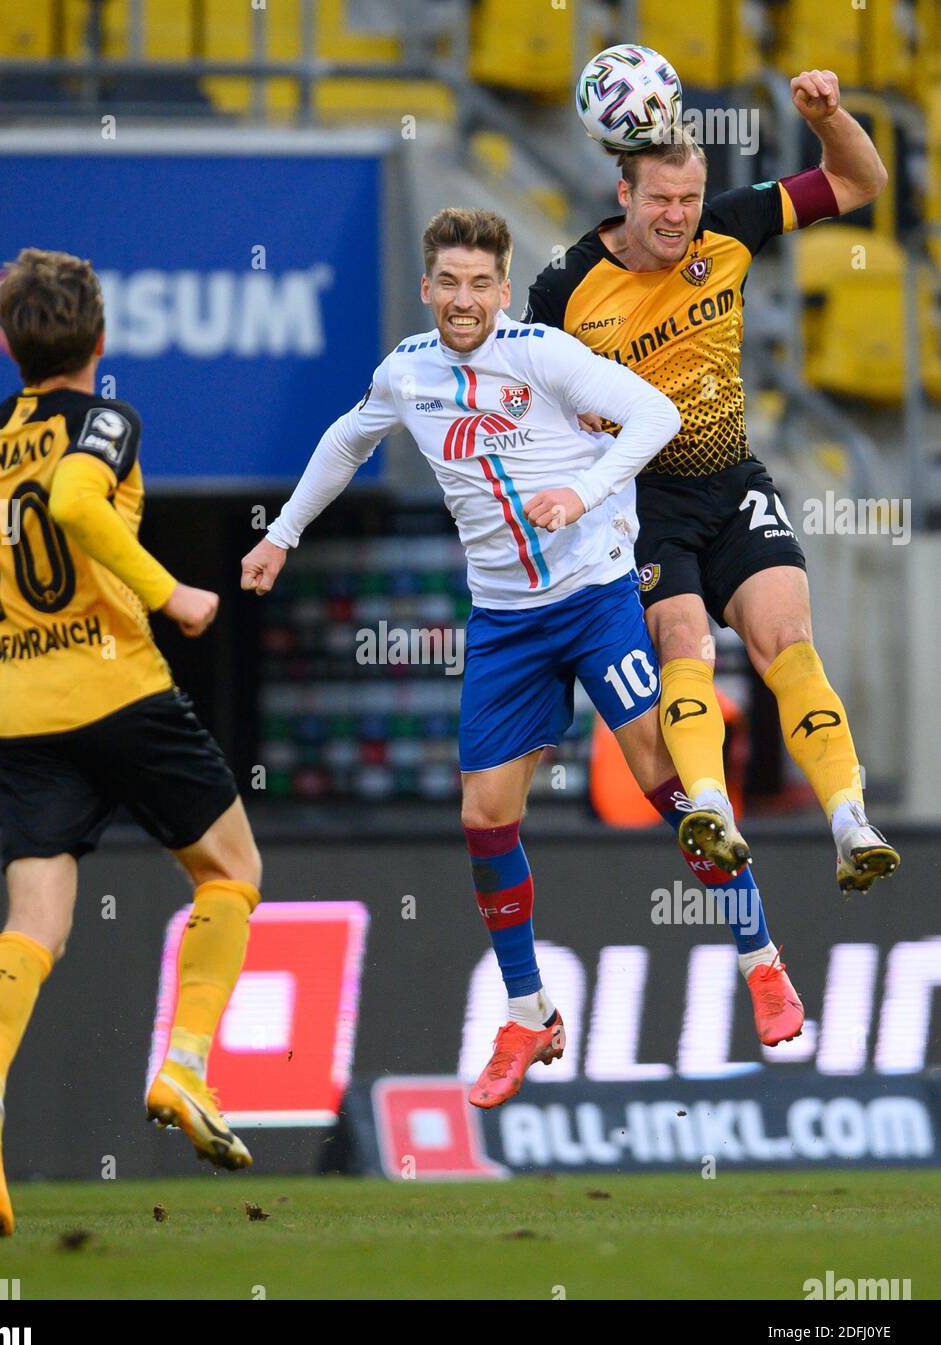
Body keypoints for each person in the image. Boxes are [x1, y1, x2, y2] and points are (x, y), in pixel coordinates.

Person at [242, 207, 803, 1113]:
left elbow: (653, 414)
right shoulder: (406, 372)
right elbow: (348, 438)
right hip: (505, 623)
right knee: (483, 816)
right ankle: (527, 1009)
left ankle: (761, 963)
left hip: (594, 599)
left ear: (503, 291)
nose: (463, 301)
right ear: (426, 289)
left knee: (669, 785)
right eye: (448, 284)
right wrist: (283, 535)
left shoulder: (541, 353)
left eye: (480, 285)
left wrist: (579, 492)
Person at [0, 248, 262, 1237]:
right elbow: (73, 502)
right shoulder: (106, 419)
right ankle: (184, 1067)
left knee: (34, 924)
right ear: (99, 342)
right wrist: (171, 591)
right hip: (116, 686)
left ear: (9, 342)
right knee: (229, 871)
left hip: (19, 708)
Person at [523, 69, 898, 897]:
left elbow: (860, 181)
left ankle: (848, 819)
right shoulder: (562, 292)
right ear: (622, 192)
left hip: (731, 480)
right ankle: (708, 807)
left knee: (785, 643)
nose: (677, 216)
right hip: (642, 499)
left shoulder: (731, 225)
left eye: (689, 197)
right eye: (660, 199)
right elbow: (525, 406)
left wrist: (831, 118)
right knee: (681, 641)